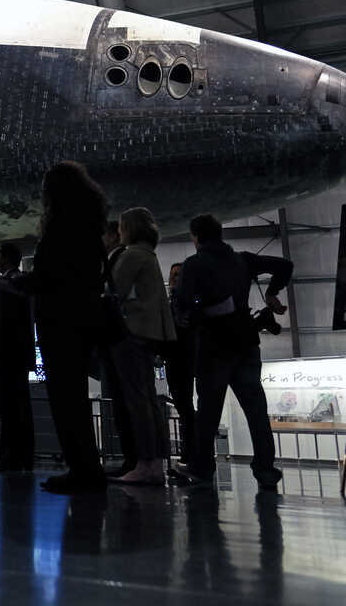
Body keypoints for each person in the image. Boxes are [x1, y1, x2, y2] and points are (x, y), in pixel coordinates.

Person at [174, 214, 293, 490]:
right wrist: (272, 293)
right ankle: (265, 470)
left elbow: (183, 303)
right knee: (256, 410)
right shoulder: (244, 259)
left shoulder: (194, 264)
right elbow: (285, 265)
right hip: (246, 342)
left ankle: (202, 468)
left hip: (213, 346)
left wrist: (191, 314)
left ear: (195, 237)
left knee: (208, 412)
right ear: (220, 234)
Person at [14, 161, 108, 494]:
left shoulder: (60, 229)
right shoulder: (91, 228)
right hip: (83, 319)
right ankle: (87, 466)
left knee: (65, 399)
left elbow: (50, 277)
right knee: (76, 397)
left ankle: (80, 469)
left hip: (59, 322)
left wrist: (22, 283)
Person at [108, 208, 175, 486]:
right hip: (150, 335)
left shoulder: (132, 255)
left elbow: (113, 291)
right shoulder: (149, 254)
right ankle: (154, 463)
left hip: (131, 334)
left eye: (122, 226)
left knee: (136, 401)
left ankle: (145, 462)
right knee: (147, 399)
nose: (119, 231)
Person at [0, 241, 35, 473]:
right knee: (18, 406)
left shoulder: (11, 285)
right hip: (14, 356)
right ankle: (17, 456)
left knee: (10, 407)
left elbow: (3, 323)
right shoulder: (17, 283)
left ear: (6, 258)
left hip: (7, 357)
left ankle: (12, 457)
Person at [100, 220, 137, 477]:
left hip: (121, 339)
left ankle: (134, 460)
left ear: (113, 236)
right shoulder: (113, 261)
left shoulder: (122, 260)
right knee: (122, 401)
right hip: (115, 340)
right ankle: (131, 459)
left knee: (128, 402)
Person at [160, 263, 195, 466]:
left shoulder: (184, 303)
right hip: (174, 359)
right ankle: (191, 451)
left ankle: (191, 452)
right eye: (173, 275)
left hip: (183, 358)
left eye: (178, 275)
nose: (174, 279)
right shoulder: (170, 302)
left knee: (186, 407)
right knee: (184, 406)